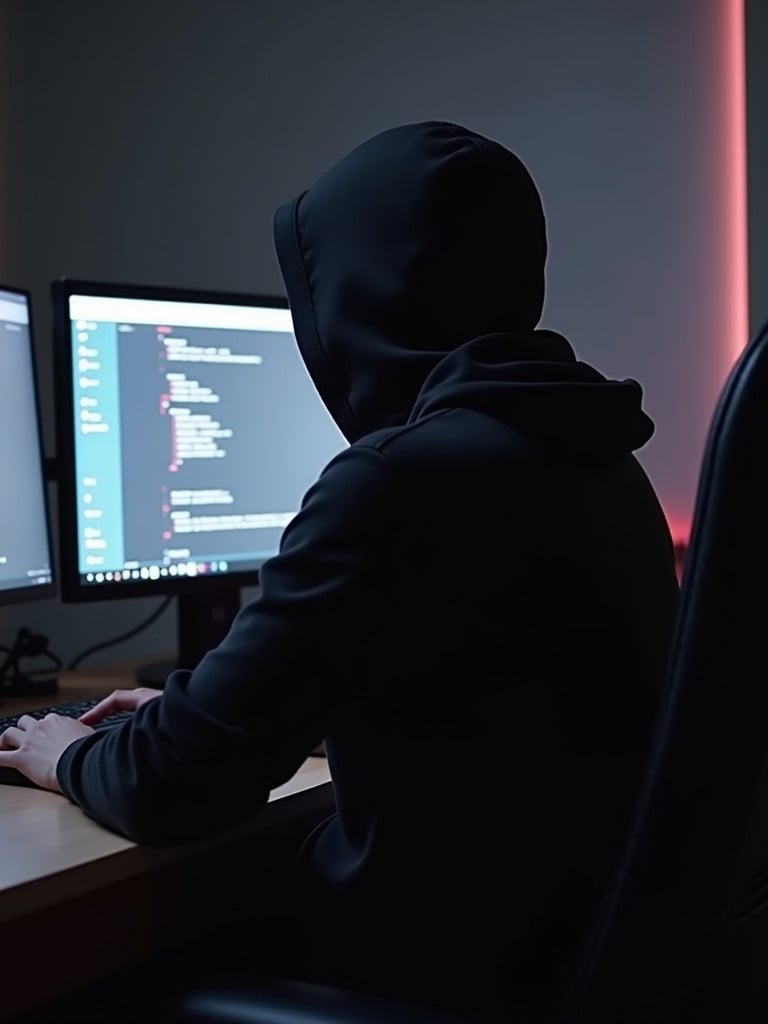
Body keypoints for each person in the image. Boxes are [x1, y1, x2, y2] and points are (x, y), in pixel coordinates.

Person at [0, 121, 679, 1021]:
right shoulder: (590, 451)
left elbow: (178, 787)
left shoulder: (404, 477)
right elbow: (489, 704)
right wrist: (201, 714)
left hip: (422, 971)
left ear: (355, 294)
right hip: (548, 954)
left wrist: (73, 753)